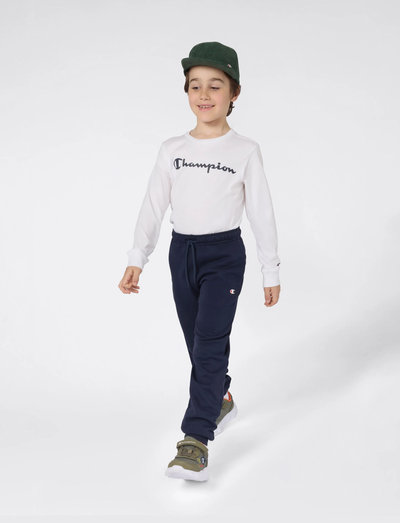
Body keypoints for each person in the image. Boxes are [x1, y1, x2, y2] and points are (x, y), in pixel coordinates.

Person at [118, 41, 281, 482]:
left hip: (223, 255)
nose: (204, 94)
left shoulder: (244, 150)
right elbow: (153, 204)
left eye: (215, 85)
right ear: (187, 92)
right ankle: (220, 396)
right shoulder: (172, 148)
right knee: (196, 340)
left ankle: (195, 440)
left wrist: (270, 267)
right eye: (195, 86)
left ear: (235, 92)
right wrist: (138, 257)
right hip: (181, 253)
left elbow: (261, 211)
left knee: (209, 342)